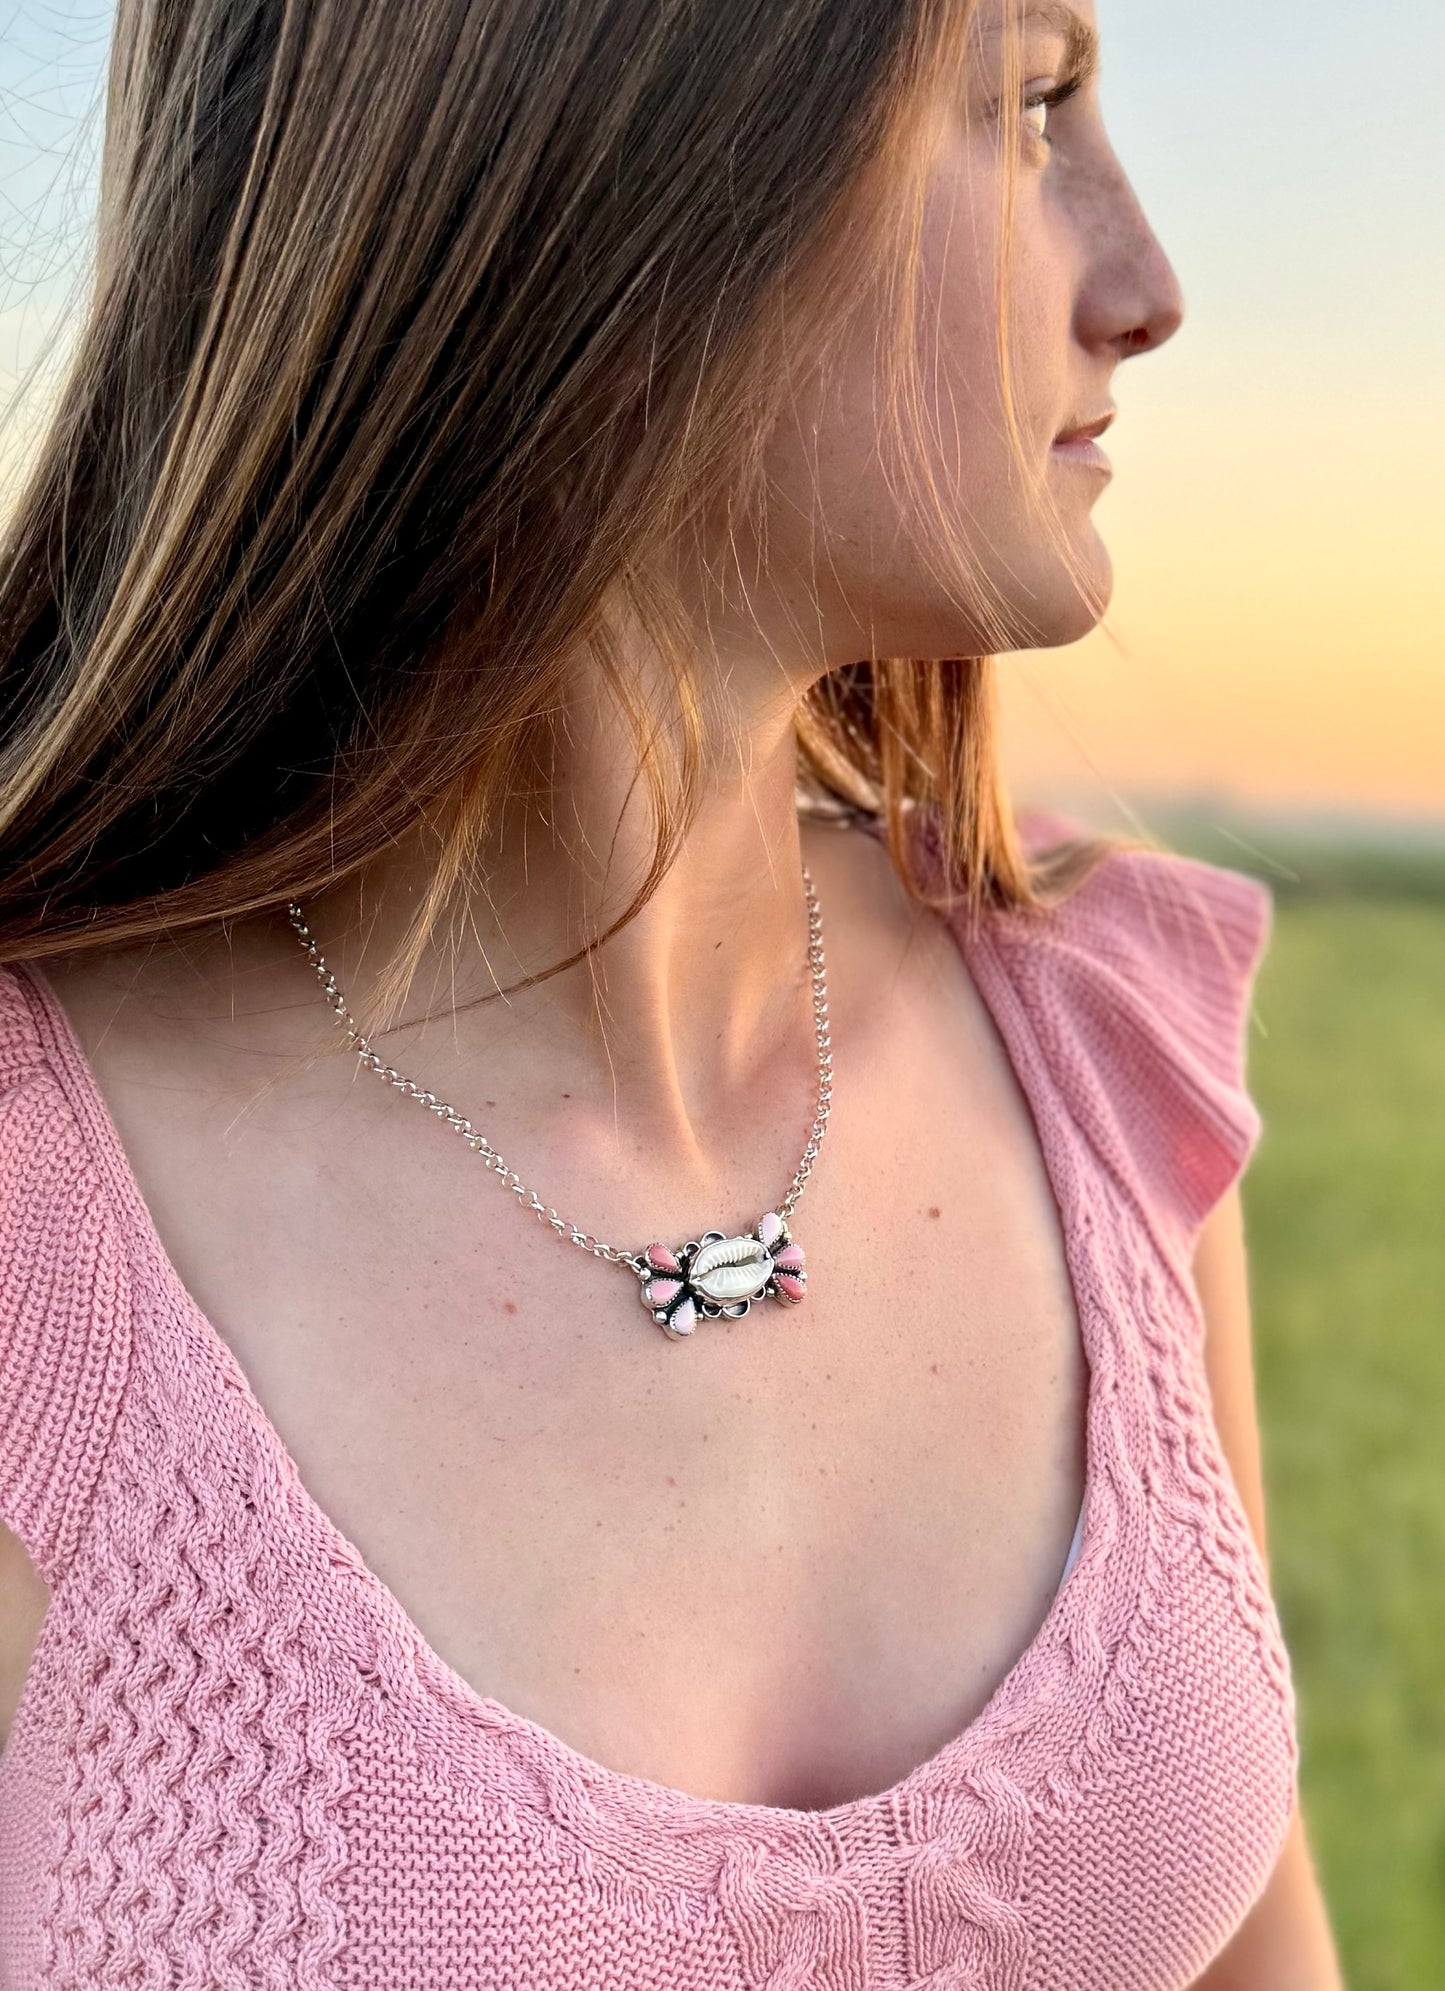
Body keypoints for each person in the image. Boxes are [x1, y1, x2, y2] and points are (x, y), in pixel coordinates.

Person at [0, 0, 1342, 1983]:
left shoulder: (1097, 1044)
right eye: (1032, 102)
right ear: (635, 137)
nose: (1144, 288)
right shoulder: (44, 1227)